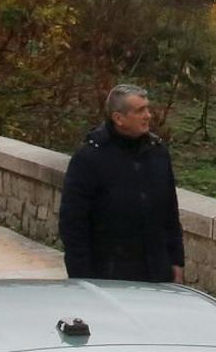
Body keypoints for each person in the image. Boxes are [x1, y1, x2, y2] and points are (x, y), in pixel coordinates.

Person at [58, 84, 184, 282]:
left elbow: (170, 213)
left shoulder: (157, 153)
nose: (148, 116)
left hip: (156, 272)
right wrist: (81, 277)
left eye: (148, 109)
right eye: (140, 110)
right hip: (109, 273)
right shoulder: (90, 157)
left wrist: (176, 261)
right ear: (119, 118)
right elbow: (73, 222)